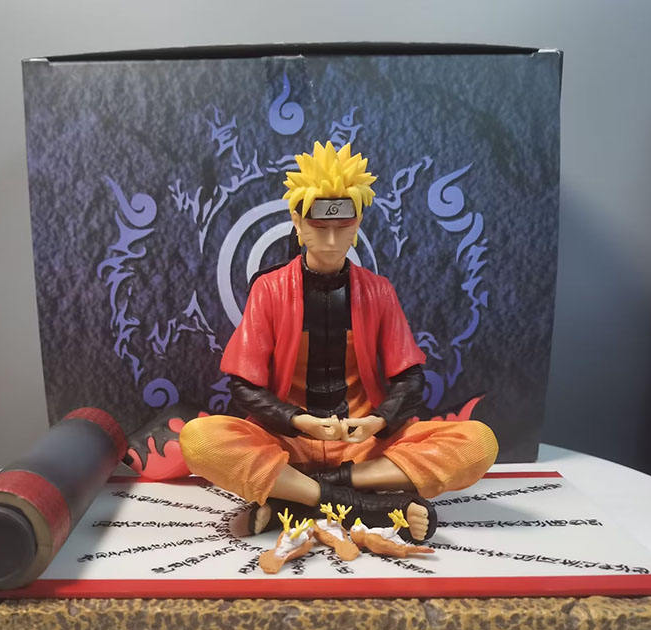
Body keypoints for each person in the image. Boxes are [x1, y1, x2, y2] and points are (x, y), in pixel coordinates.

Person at [179, 141, 497, 542]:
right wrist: (297, 421)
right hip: (289, 442)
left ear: (358, 223)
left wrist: (377, 421)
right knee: (200, 439)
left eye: (342, 228)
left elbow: (410, 378)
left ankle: (300, 498)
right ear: (297, 222)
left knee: (478, 443)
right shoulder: (269, 290)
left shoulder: (378, 291)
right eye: (319, 227)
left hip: (362, 445)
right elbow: (244, 385)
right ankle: (365, 505)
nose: (331, 241)